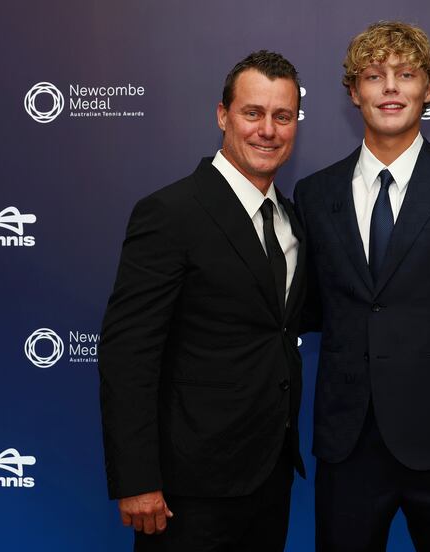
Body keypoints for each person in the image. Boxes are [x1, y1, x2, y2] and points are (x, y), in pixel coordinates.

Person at [294, 22, 430, 551]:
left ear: (429, 89)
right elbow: (302, 309)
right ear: (354, 92)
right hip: (346, 449)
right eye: (374, 76)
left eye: (406, 74)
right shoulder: (314, 192)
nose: (390, 87)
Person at [98, 50, 306, 551]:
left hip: (271, 476)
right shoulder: (170, 213)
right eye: (252, 113)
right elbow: (129, 352)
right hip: (186, 488)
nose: (268, 130)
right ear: (223, 115)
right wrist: (137, 479)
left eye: (283, 116)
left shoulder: (292, 220)